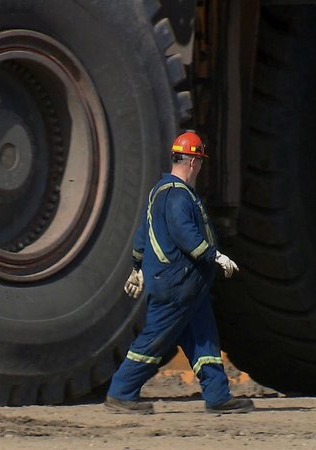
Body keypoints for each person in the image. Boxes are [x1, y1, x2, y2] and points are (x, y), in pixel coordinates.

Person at [105, 131, 254, 415]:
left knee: (203, 338)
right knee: (156, 338)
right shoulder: (178, 196)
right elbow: (185, 234)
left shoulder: (159, 193)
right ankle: (121, 393)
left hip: (188, 286)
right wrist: (216, 257)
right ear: (194, 162)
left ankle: (218, 396)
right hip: (177, 284)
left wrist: (137, 267)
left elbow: (141, 236)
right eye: (200, 161)